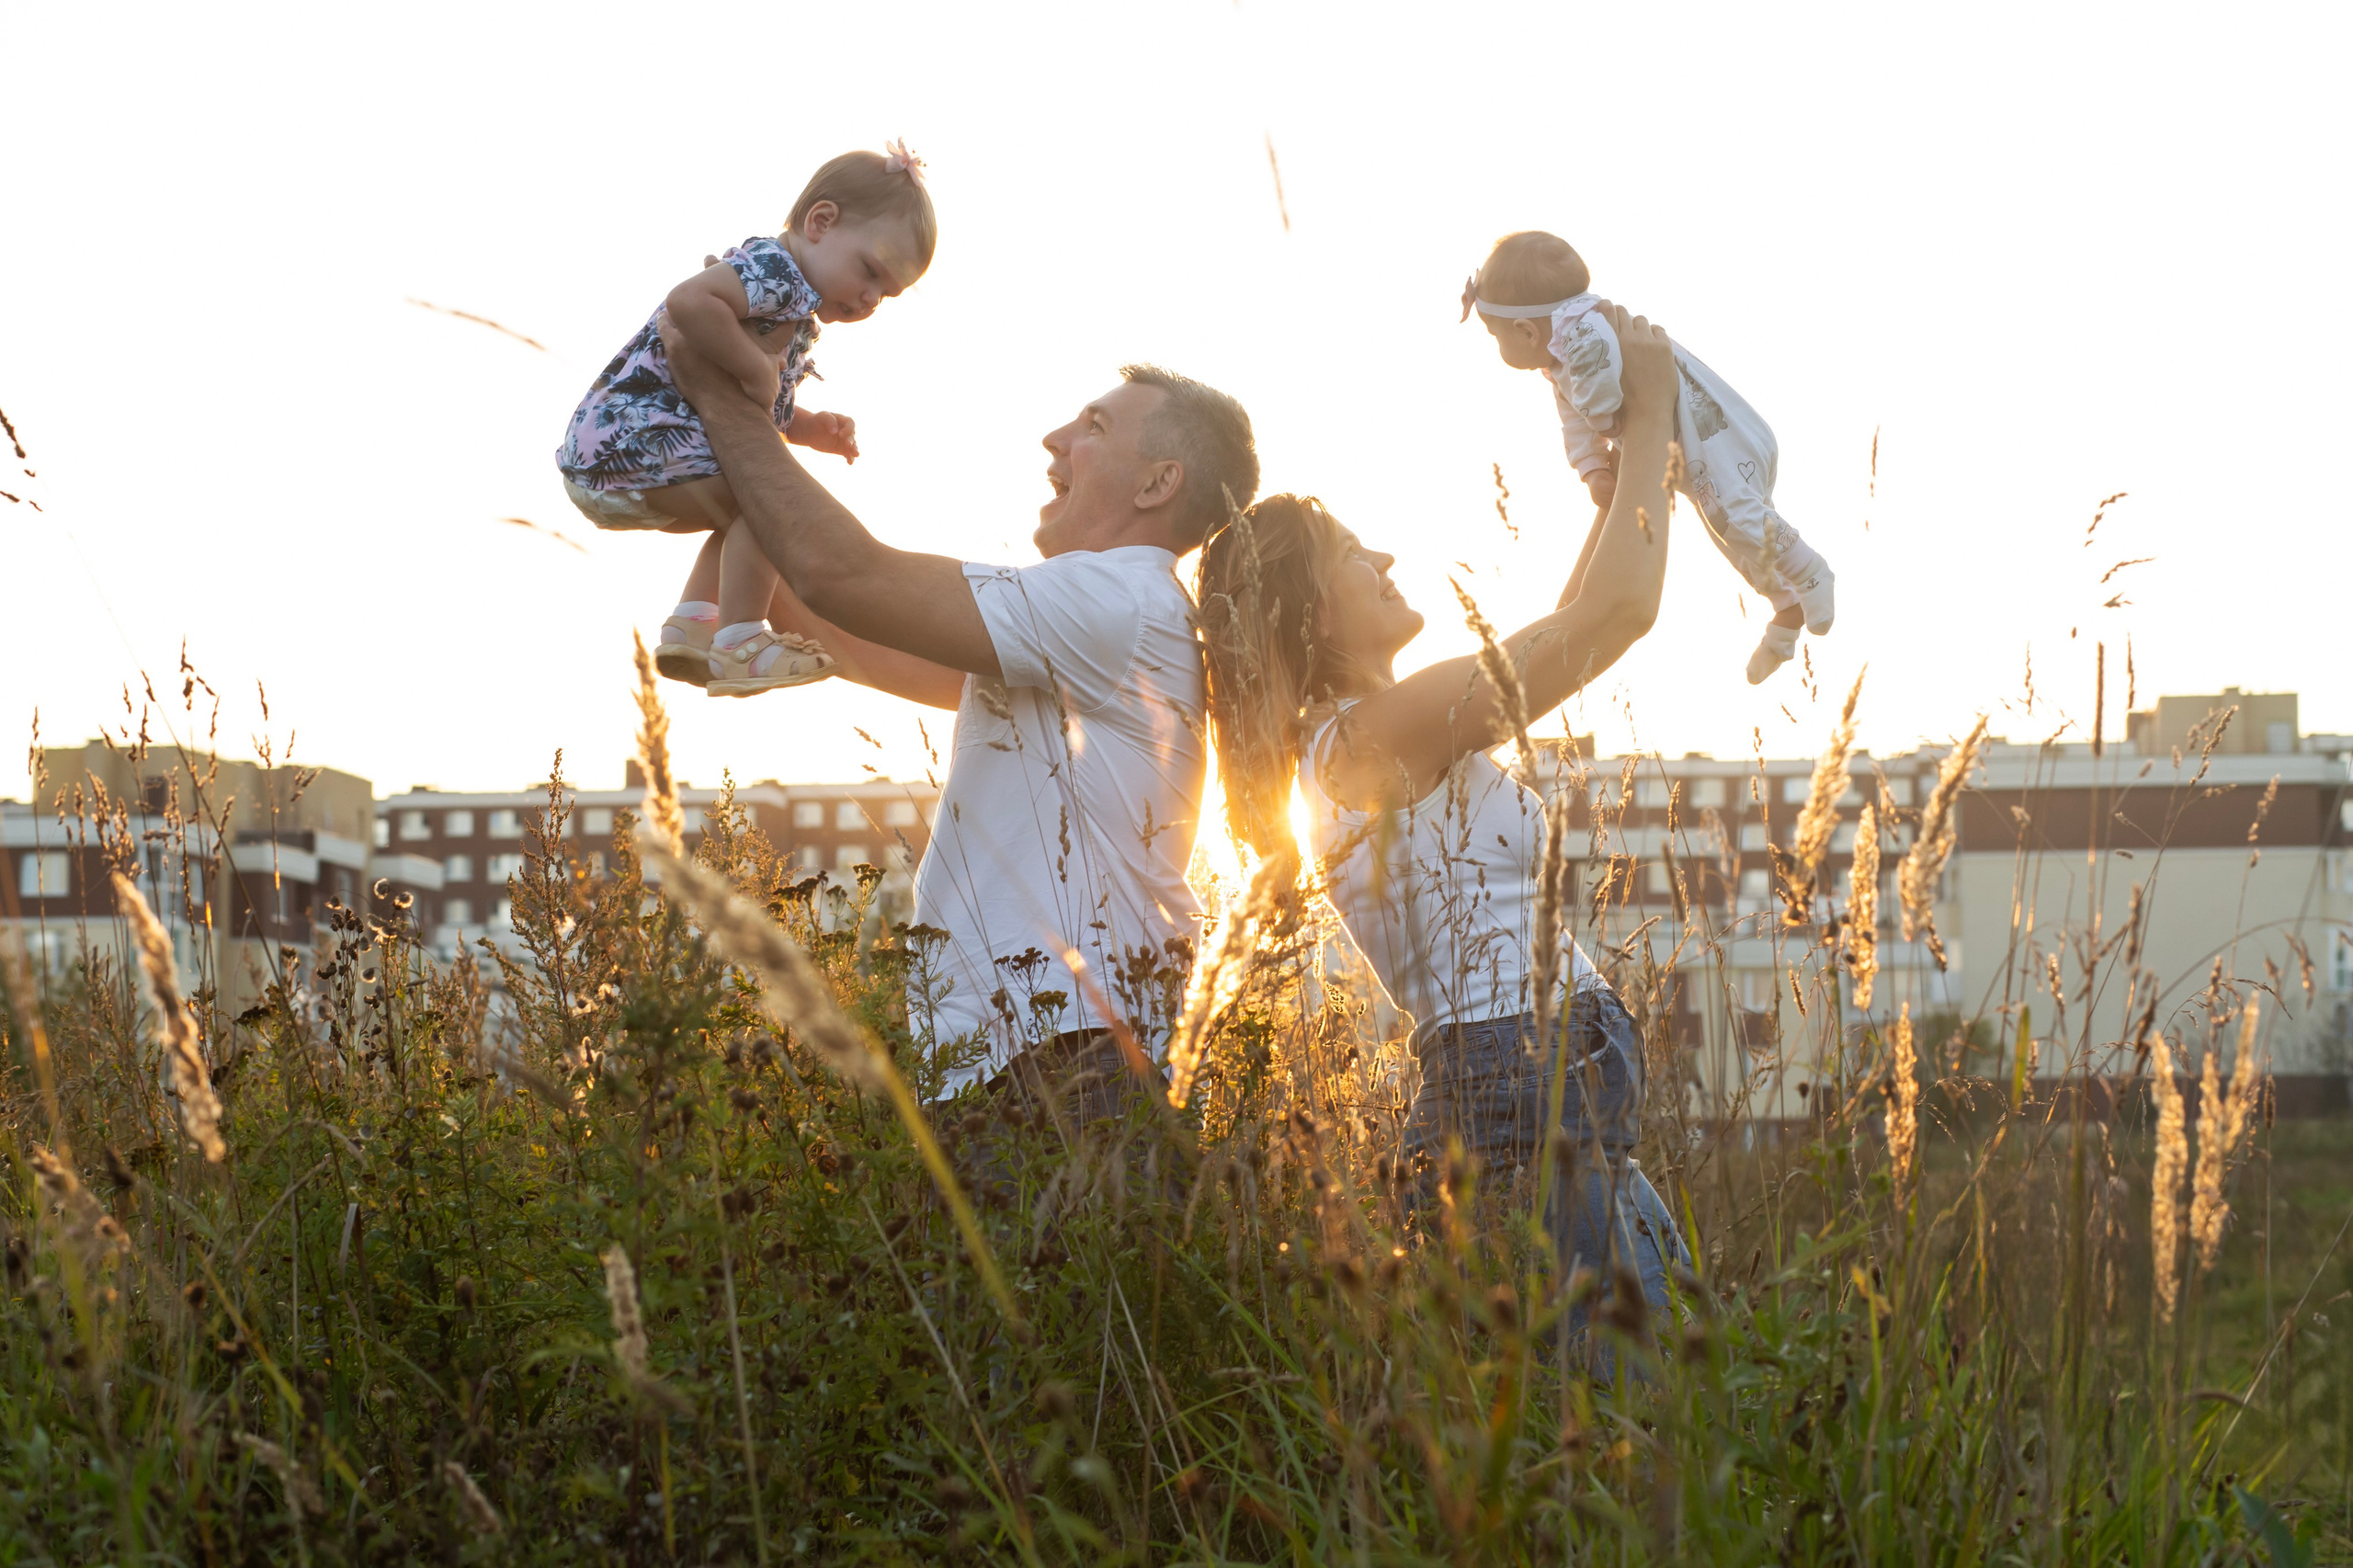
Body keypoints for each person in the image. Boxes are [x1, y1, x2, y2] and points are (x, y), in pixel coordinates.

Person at [1197, 302, 1690, 1328]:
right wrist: (1650, 415)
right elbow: (1616, 618)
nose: (1383, 558)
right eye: (1352, 552)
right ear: (1309, 611)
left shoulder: (1378, 738)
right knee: (1623, 1398)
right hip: (1525, 1092)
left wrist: (1614, 498)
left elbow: (1568, 628)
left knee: (1673, 1371)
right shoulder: (1370, 737)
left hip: (1531, 1094)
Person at [660, 313, 1259, 1111]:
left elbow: (844, 577)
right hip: (1028, 1051)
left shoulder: (1117, 598)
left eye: (1094, 427)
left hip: (1074, 1055)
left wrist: (726, 400)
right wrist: (742, 487)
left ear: (1157, 485)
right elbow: (838, 620)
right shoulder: (1094, 619)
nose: (1054, 439)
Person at [556, 144, 938, 698]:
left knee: (745, 507)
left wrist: (808, 426)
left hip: (617, 455)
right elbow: (689, 302)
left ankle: (694, 625)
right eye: (870, 271)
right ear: (821, 222)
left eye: (887, 293)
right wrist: (755, 366)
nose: (870, 298)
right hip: (631, 435)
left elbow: (754, 406)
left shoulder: (791, 304)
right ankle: (742, 641)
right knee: (770, 503)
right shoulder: (776, 270)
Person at [1465, 230, 1834, 685]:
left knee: (1737, 519)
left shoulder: (1584, 330)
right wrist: (1592, 468)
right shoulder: (1559, 360)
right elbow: (1574, 422)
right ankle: (1786, 614)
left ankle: (1812, 573)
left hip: (1719, 439)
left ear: (1525, 330)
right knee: (1730, 533)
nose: (1499, 347)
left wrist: (1608, 419)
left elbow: (1598, 382)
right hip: (1701, 454)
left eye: (1496, 336)